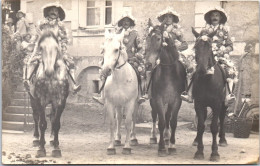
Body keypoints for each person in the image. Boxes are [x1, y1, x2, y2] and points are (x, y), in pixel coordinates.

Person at [181, 7, 238, 104]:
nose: (215, 17)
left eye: (217, 15)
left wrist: (223, 50)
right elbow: (199, 42)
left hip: (220, 57)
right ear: (210, 18)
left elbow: (230, 45)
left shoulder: (224, 30)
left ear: (220, 18)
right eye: (213, 15)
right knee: (191, 69)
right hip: (205, 56)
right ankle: (189, 93)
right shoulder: (205, 30)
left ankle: (229, 95)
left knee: (230, 71)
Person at [24, 3, 81, 94]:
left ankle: (73, 85)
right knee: (32, 60)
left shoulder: (60, 25)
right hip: (42, 47)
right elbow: (36, 35)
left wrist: (63, 49)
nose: (53, 12)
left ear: (58, 14)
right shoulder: (42, 24)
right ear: (47, 12)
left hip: (56, 48)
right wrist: (32, 43)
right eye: (51, 10)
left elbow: (64, 38)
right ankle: (28, 80)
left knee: (69, 62)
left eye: (55, 11)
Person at [93, 13, 146, 105]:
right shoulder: (116, 34)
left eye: (128, 21)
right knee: (104, 71)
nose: (126, 23)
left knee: (140, 72)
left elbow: (140, 47)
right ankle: (102, 96)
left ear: (130, 23)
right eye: (124, 21)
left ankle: (139, 95)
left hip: (131, 59)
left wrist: (138, 55)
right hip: (116, 60)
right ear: (121, 23)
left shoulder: (135, 34)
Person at [143, 7, 189, 99]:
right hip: (161, 54)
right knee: (149, 67)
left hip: (175, 54)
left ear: (173, 19)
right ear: (163, 19)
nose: (168, 19)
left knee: (187, 67)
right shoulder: (159, 29)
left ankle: (185, 91)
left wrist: (176, 48)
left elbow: (185, 44)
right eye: (166, 17)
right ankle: (148, 91)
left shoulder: (177, 30)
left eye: (170, 17)